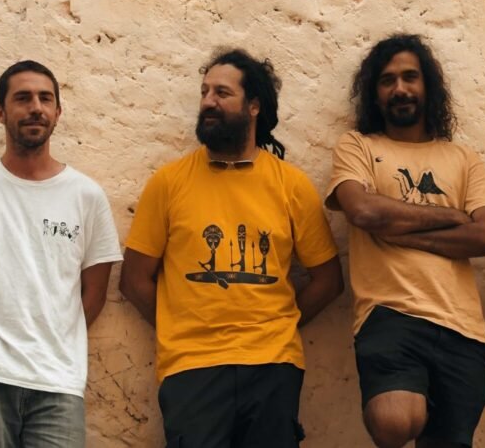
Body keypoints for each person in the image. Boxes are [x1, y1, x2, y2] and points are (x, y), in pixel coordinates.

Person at [119, 49, 343, 448]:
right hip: (191, 366)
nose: (208, 101)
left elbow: (328, 280)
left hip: (273, 364)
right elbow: (134, 280)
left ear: (254, 106)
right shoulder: (169, 183)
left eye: (222, 93)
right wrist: (179, 329)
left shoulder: (291, 185)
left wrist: (281, 325)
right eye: (204, 92)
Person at [0, 60, 122, 447]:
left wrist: (55, 340)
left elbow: (94, 294)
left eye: (46, 99)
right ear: (0, 112)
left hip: (58, 382)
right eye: (23, 98)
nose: (36, 108)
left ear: (58, 112)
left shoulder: (86, 197)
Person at [326, 34, 485, 448]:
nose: (400, 88)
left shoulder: (462, 158)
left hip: (463, 328)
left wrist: (397, 229)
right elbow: (363, 211)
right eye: (387, 80)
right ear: (375, 93)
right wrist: (452, 218)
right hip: (391, 313)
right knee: (393, 422)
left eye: (410, 77)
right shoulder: (359, 146)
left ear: (428, 86)